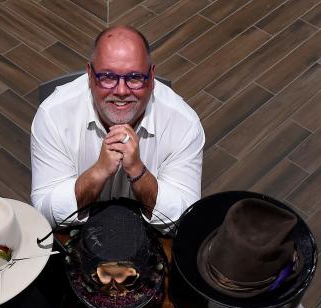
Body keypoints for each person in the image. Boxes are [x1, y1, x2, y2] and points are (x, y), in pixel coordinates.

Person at [30, 26, 204, 230]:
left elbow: (186, 219)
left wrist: (139, 172)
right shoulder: (52, 115)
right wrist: (97, 173)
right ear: (89, 74)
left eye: (135, 77)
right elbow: (44, 214)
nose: (121, 91)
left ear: (152, 77)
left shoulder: (185, 124)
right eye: (107, 77)